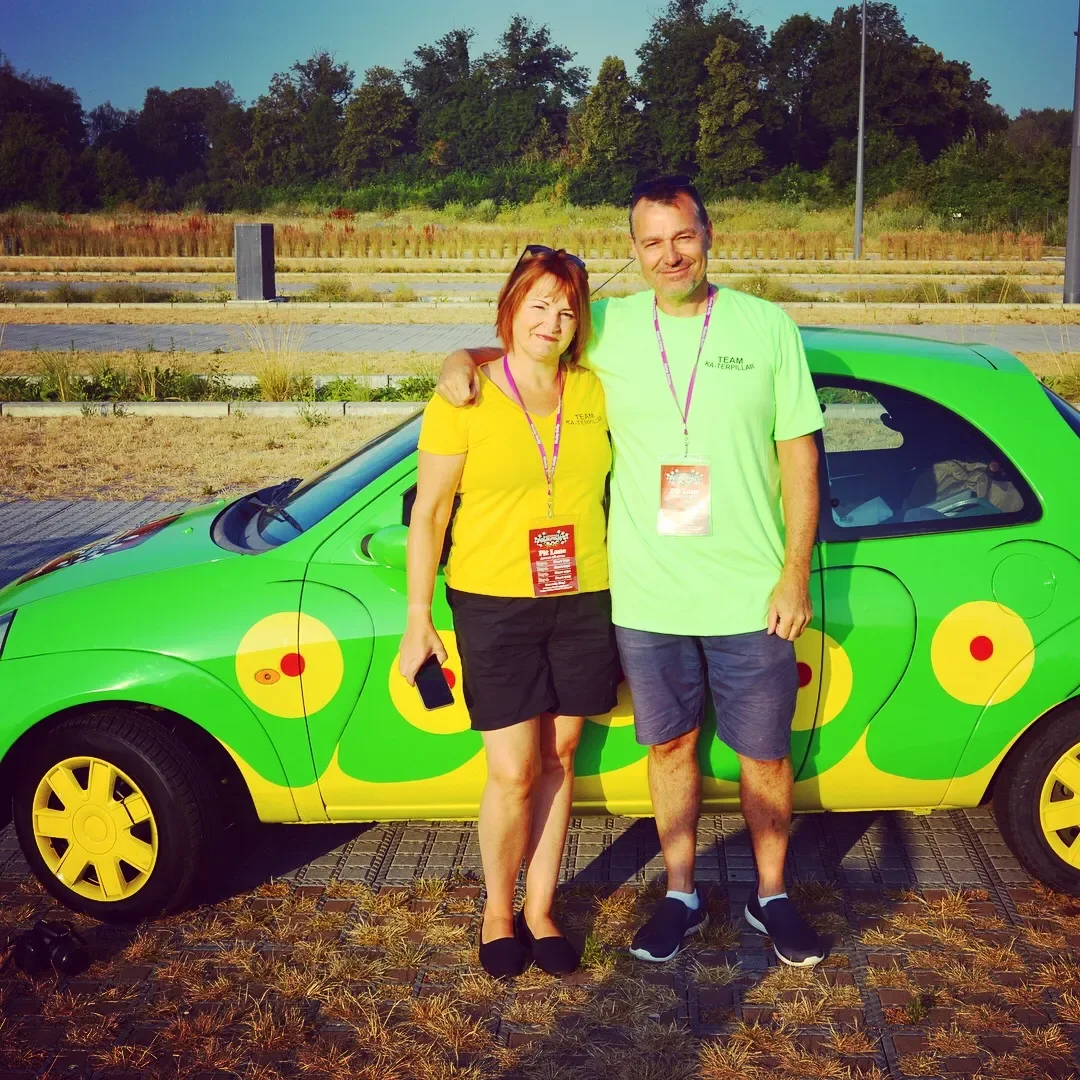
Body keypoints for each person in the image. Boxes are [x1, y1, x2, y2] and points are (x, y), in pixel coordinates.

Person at [435, 177, 827, 968]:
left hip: (751, 593)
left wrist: (794, 573)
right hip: (645, 598)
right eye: (651, 242)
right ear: (635, 252)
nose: (669, 253)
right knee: (671, 750)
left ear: (708, 234)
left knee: (767, 755)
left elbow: (800, 456)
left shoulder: (768, 326)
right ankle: (680, 894)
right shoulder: (606, 326)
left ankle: (773, 897)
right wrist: (455, 359)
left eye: (682, 236)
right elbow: (520, 346)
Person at [399, 247, 619, 978]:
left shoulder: (595, 389)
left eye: (566, 308)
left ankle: (540, 908)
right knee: (513, 767)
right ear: (511, 310)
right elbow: (429, 515)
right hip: (492, 604)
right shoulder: (464, 397)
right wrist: (417, 616)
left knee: (561, 757)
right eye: (539, 305)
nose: (553, 321)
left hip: (585, 594)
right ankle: (497, 909)